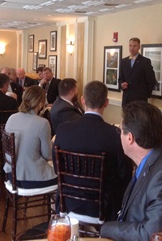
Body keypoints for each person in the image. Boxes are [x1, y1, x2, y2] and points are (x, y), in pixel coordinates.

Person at [100, 101, 162, 241]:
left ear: (130, 138)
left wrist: (106, 228)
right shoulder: (152, 161)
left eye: (120, 131)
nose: (119, 136)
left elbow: (151, 235)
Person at [53, 81, 132, 220]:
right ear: (106, 103)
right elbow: (125, 175)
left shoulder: (63, 130)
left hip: (68, 202)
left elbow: (56, 167)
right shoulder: (115, 135)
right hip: (103, 207)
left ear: (83, 100)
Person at [4, 85, 57, 188]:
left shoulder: (12, 118)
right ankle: (55, 204)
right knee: (64, 177)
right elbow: (48, 155)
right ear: (41, 103)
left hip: (11, 175)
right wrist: (51, 143)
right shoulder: (42, 123)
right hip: (32, 178)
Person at [118, 37, 157, 106]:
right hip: (126, 99)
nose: (132, 48)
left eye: (134, 46)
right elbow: (120, 78)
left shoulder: (145, 61)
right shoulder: (124, 61)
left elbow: (151, 80)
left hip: (140, 99)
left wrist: (145, 95)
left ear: (139, 47)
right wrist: (122, 84)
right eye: (130, 45)